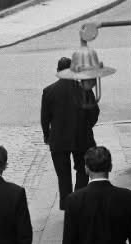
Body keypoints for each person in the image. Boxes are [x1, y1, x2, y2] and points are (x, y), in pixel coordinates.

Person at [41, 57, 99, 210]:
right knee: (82, 171)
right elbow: (94, 113)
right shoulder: (85, 90)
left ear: (58, 71)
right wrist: (86, 127)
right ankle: (78, 202)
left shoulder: (49, 91)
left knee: (63, 175)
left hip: (58, 140)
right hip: (82, 138)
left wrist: (47, 135)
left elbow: (45, 118)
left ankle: (67, 206)